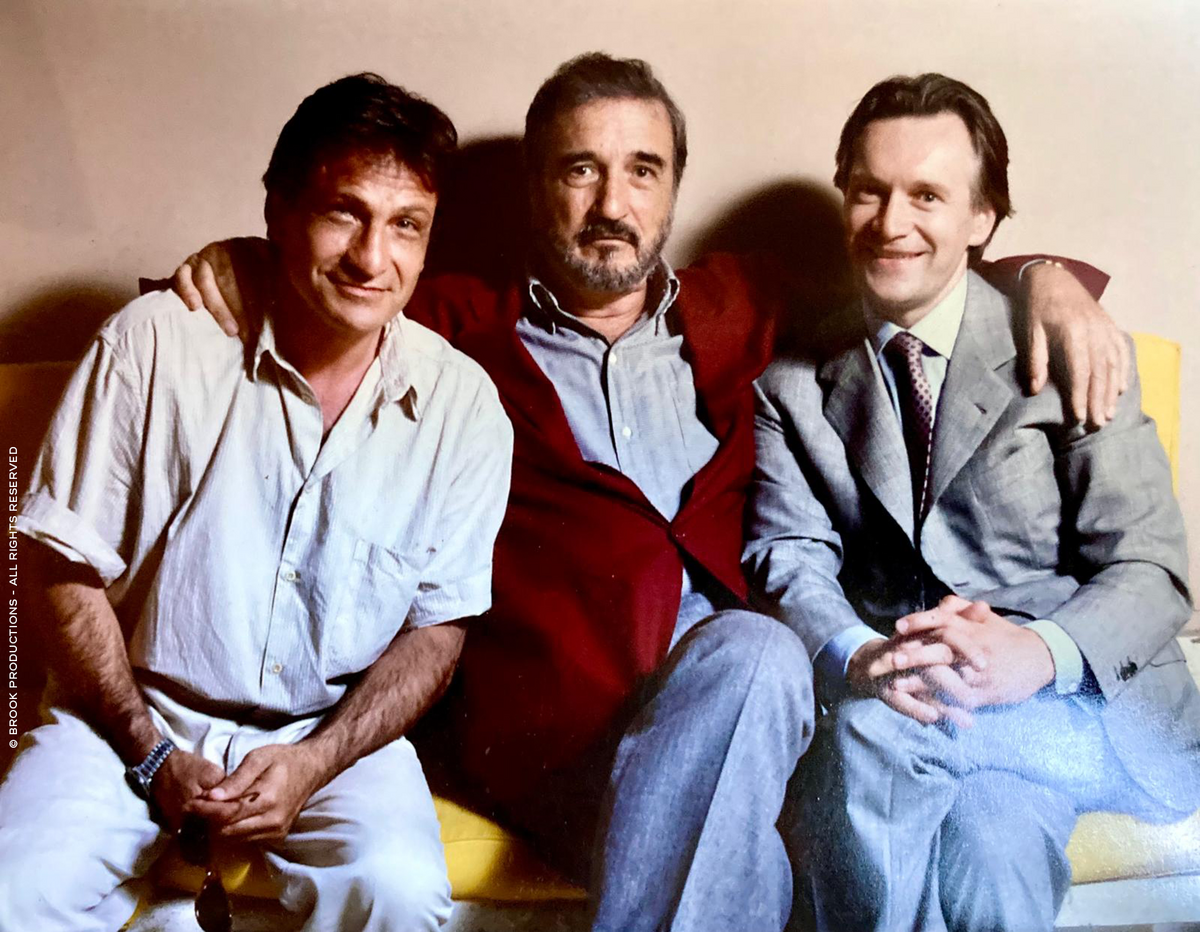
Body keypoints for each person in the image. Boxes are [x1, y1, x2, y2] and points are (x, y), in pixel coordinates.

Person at [171, 54, 1128, 932]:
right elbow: (323, 284)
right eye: (579, 170)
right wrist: (241, 259)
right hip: (567, 742)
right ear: (536, 188)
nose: (611, 203)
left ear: (673, 189)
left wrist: (1048, 279)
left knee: (764, 670)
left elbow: (914, 274)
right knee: (759, 655)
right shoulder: (455, 324)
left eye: (642, 170)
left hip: (765, 727)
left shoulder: (747, 303)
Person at [0, 73, 512, 932]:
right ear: (278, 211)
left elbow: (436, 633)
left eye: (406, 225)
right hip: (130, 711)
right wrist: (149, 751)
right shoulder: (153, 343)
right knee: (10, 890)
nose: (372, 258)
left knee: (400, 894)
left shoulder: (464, 409)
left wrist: (316, 762)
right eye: (344, 212)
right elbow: (60, 570)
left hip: (332, 733)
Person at [745, 72, 1198, 932]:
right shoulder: (792, 383)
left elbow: (1152, 569)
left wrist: (1037, 653)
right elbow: (788, 555)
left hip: (1080, 707)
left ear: (982, 219)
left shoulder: (1071, 345)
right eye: (869, 191)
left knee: (873, 745)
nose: (892, 223)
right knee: (991, 848)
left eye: (927, 196)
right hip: (921, 703)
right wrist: (860, 655)